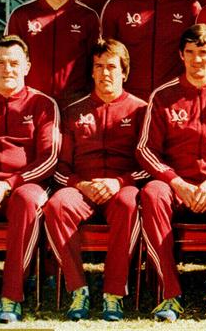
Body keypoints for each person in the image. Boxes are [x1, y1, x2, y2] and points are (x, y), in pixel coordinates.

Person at [136, 24, 206, 323]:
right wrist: (176, 182)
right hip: (175, 184)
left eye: (204, 52)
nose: (198, 60)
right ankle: (169, 294)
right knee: (151, 192)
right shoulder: (163, 95)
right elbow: (146, 150)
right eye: (190, 53)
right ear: (181, 56)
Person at [43, 39, 148, 321]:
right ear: (91, 71)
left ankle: (114, 293)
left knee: (128, 203)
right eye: (99, 66)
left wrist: (119, 182)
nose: (105, 73)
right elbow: (59, 165)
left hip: (121, 187)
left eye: (112, 67)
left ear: (124, 72)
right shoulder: (74, 110)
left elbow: (149, 164)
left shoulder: (141, 110)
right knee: (56, 205)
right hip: (82, 187)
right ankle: (78, 288)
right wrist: (80, 184)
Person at [0, 35, 60, 322]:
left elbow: (49, 159)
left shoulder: (43, 105)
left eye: (15, 63)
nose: (8, 69)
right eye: (0, 62)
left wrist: (6, 185)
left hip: (21, 187)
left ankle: (11, 297)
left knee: (27, 200)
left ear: (27, 67)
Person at [101, 0, 201, 100]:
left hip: (173, 97)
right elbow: (104, 55)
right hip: (128, 97)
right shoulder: (118, 4)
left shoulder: (190, 7)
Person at [5, 0, 100, 107]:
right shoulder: (21, 15)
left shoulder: (87, 17)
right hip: (31, 102)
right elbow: (9, 59)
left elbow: (96, 62)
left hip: (75, 103)